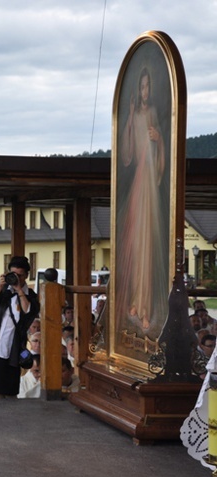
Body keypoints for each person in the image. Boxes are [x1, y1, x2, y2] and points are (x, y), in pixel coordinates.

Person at [118, 65, 168, 335]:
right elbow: (127, 155)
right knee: (138, 243)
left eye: (149, 86)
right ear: (137, 89)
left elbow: (161, 153)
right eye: (142, 86)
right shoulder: (136, 114)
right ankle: (136, 302)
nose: (145, 91)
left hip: (151, 180)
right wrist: (127, 120)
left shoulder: (152, 113)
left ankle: (146, 306)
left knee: (148, 241)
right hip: (140, 178)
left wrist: (159, 139)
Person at [0, 256, 40, 399]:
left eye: (20, 275)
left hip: (13, 348)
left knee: (10, 389)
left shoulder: (30, 295)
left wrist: (19, 290)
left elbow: (28, 311)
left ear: (26, 275)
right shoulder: (4, 290)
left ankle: (11, 417)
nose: (16, 278)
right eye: (13, 275)